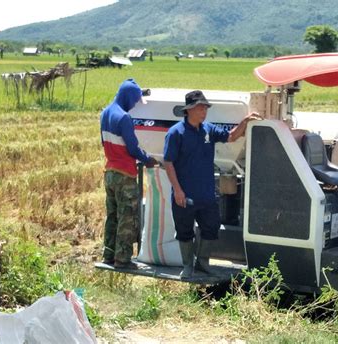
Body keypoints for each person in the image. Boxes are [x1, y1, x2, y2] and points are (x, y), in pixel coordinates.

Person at [163, 90, 262, 279]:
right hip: (184, 194)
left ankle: (203, 263)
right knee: (184, 230)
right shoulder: (176, 133)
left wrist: (246, 122)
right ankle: (187, 265)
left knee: (211, 227)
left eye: (206, 108)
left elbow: (231, 137)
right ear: (189, 110)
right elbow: (168, 163)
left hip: (207, 193)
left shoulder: (208, 129)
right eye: (201, 108)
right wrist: (177, 190)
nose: (204, 111)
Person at [100, 79, 157, 269]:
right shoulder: (124, 117)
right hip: (125, 174)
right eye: (134, 100)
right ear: (128, 97)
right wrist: (147, 158)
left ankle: (108, 254)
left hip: (109, 172)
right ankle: (123, 259)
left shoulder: (105, 113)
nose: (134, 105)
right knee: (127, 216)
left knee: (113, 215)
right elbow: (132, 148)